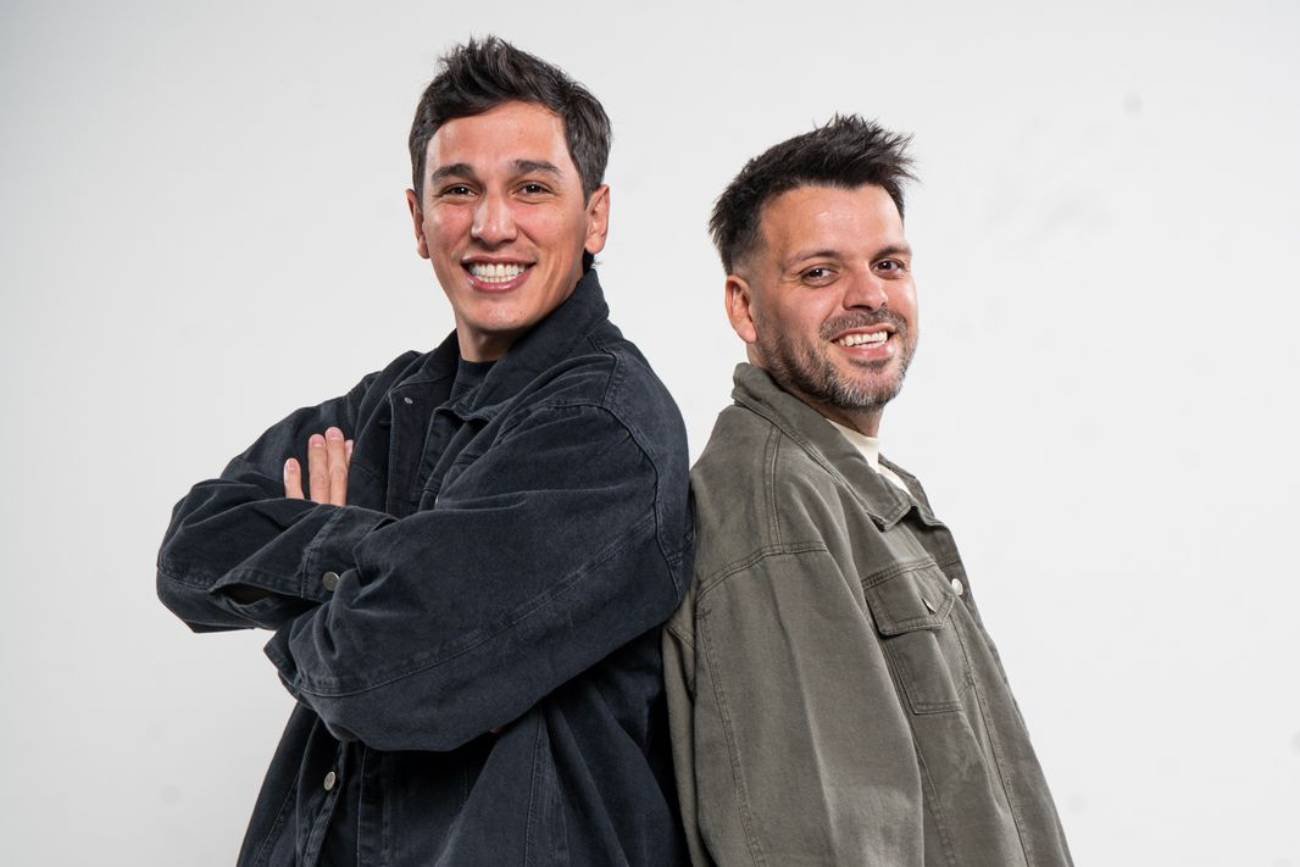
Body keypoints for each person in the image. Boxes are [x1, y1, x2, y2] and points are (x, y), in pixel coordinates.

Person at [157, 37, 692, 866]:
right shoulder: (391, 400)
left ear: (595, 216)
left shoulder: (607, 429)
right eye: (458, 189)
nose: (491, 225)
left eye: (531, 187)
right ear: (418, 220)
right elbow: (190, 551)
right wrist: (384, 562)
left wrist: (318, 572)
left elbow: (376, 678)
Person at [663, 115, 1073, 866]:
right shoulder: (775, 507)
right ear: (744, 307)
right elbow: (815, 841)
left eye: (888, 264)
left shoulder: (857, 485)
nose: (868, 297)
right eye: (820, 273)